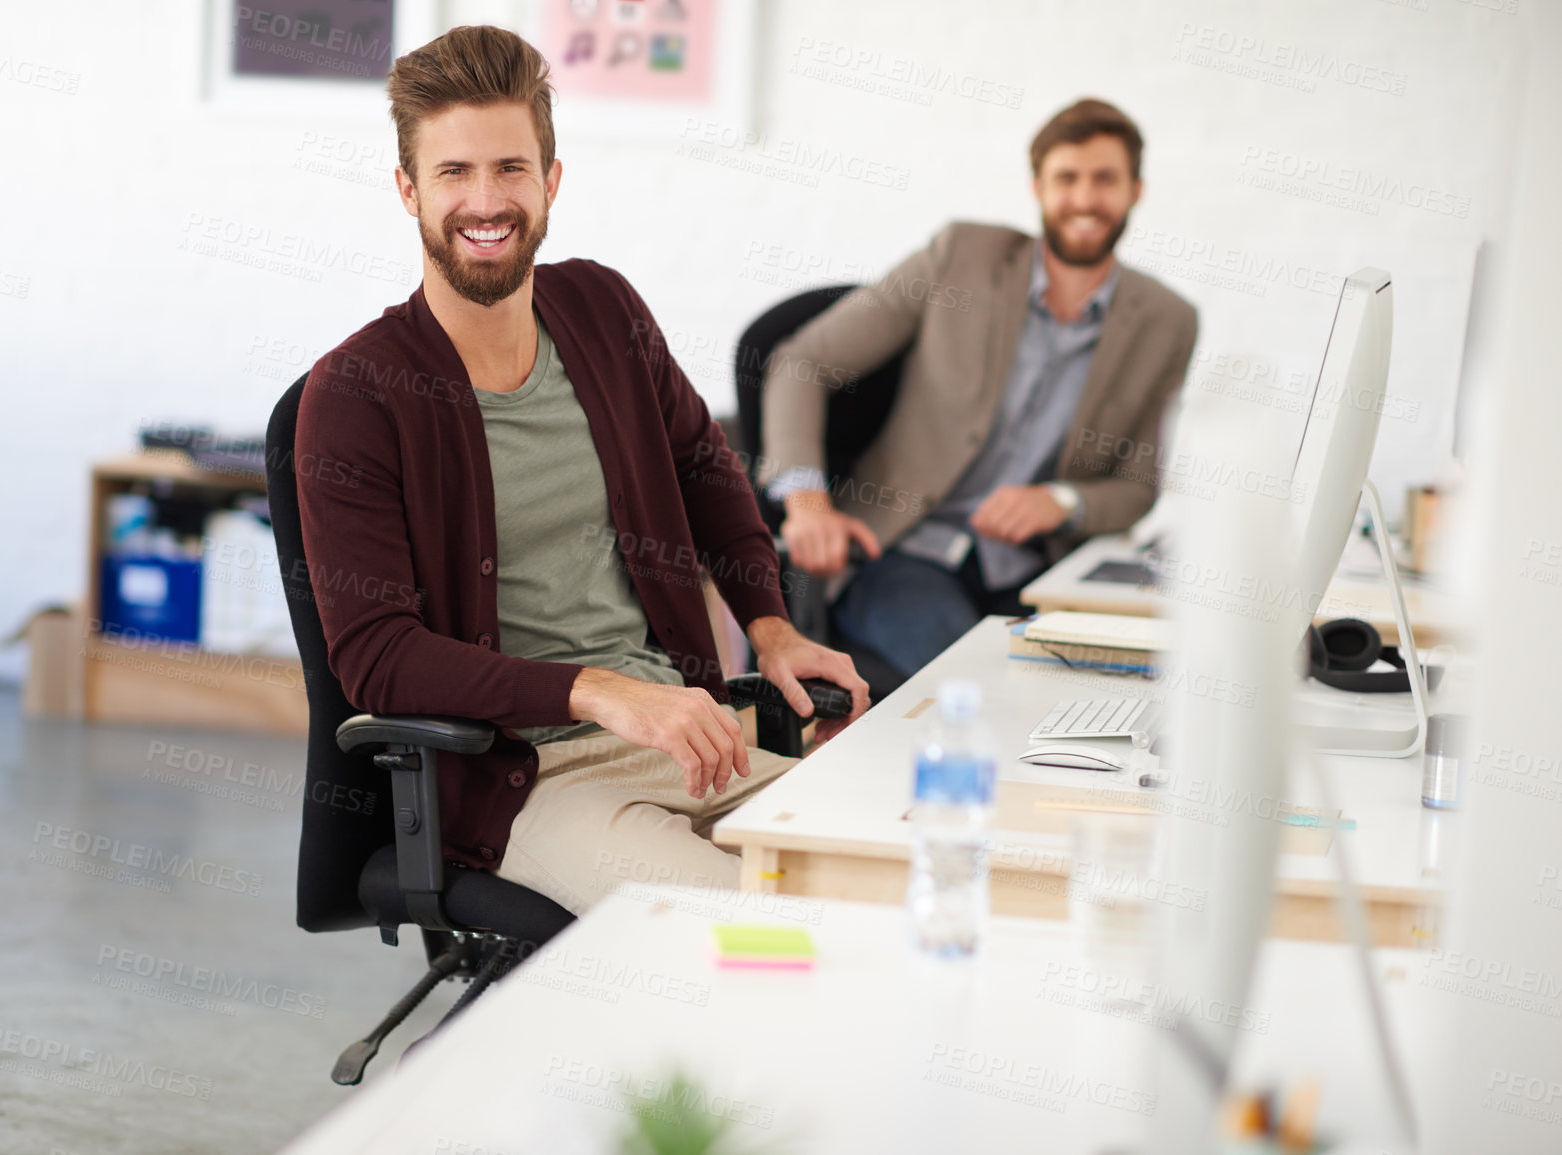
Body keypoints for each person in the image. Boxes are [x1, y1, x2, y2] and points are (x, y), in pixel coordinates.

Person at [295, 26, 868, 917]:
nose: (486, 201)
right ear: (407, 189)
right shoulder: (357, 394)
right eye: (453, 173)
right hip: (533, 781)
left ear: (550, 180)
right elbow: (378, 659)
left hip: (691, 737)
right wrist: (601, 693)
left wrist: (771, 625)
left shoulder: (600, 306)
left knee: (878, 879)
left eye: (510, 168)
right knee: (754, 933)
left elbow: (702, 467)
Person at [759, 98, 1199, 682]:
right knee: (979, 688)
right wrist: (809, 504)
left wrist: (1063, 501)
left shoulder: (1167, 320)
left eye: (1105, 179)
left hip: (1036, 571)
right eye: (1067, 178)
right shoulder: (961, 257)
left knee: (1127, 683)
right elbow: (803, 361)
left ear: (1135, 190)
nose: (1086, 199)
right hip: (902, 553)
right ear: (1037, 186)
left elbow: (1137, 487)